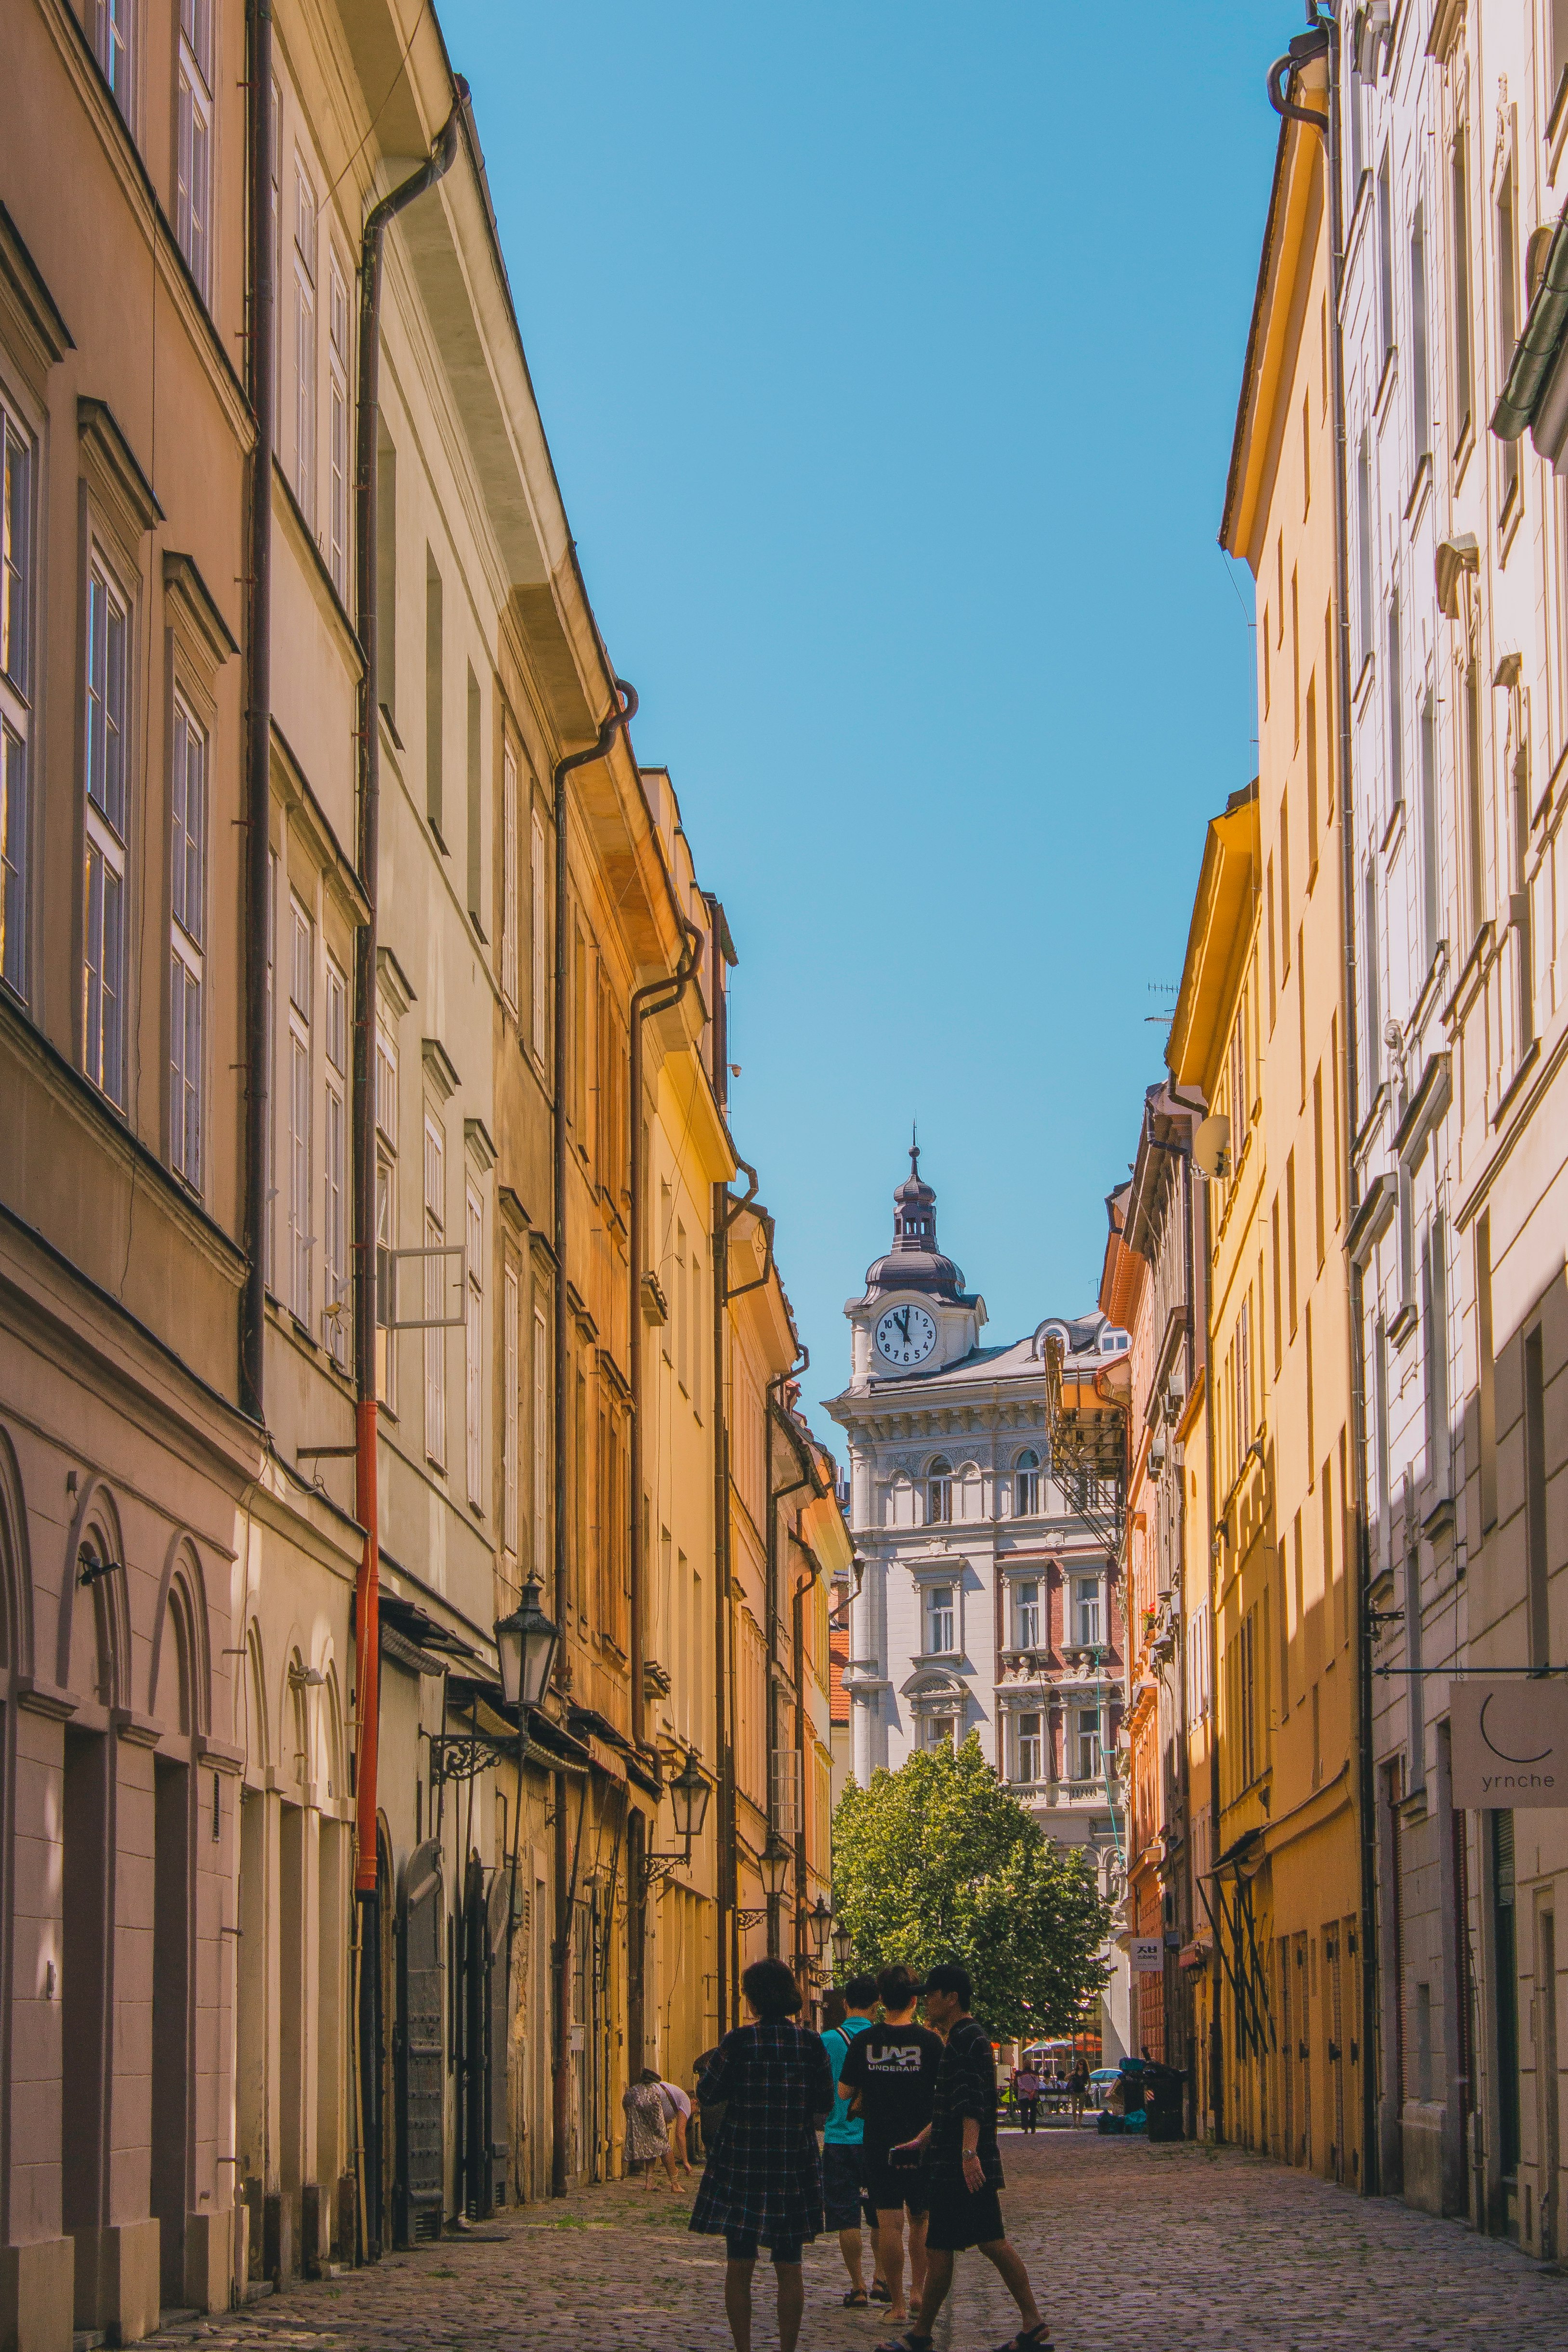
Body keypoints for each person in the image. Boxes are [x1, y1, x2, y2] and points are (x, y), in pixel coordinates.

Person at [875, 1963, 1051, 2352]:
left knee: (976, 2243)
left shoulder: (966, 2040)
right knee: (972, 2243)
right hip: (953, 2161)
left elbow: (971, 2104)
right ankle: (1028, 2324)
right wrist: (919, 2141)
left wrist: (968, 2153)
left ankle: (923, 2335)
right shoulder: (963, 2038)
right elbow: (949, 2109)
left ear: (951, 1997)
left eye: (932, 1994)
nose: (925, 2002)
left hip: (960, 2167)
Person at [691, 1957, 835, 2352]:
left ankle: (744, 2348)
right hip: (793, 2161)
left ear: (753, 1997)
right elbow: (825, 2102)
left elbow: (708, 2094)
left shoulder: (738, 2041)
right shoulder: (810, 2043)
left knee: (739, 2263)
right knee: (790, 2265)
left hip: (742, 2161)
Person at [838, 1962, 944, 2330]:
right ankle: (918, 2291)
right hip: (922, 2140)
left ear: (881, 1999)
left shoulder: (865, 2042)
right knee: (921, 2219)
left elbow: (843, 2091)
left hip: (878, 2141)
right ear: (915, 1999)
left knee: (889, 2223)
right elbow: (943, 2093)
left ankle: (897, 2304)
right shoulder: (930, 2042)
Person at [819, 1974, 880, 2307]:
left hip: (839, 2136)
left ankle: (857, 2284)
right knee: (881, 2211)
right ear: (877, 2004)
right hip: (877, 2138)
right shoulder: (882, 2039)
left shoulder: (826, 2039)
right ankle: (881, 2278)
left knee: (846, 2215)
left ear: (845, 2004)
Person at [624, 2067, 679, 2190]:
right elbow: (665, 2109)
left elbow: (626, 2105)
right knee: (665, 2148)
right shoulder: (657, 2090)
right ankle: (675, 2184)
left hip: (639, 2125)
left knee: (651, 2148)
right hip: (656, 2123)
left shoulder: (632, 2091)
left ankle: (649, 2182)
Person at [659, 2074, 694, 2174]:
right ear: (695, 2102)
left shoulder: (678, 2095)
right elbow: (680, 2134)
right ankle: (673, 2173)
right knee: (662, 2142)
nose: (693, 2114)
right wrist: (685, 2161)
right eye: (696, 2111)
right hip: (657, 2094)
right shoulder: (686, 2101)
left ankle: (649, 2177)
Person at [1010, 2059, 1041, 2136]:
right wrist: (1033, 2092)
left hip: (1023, 2096)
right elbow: (1037, 2084)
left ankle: (1026, 2128)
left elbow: (1020, 2085)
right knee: (1033, 2112)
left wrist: (1027, 2091)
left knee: (1024, 2112)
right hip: (1034, 2096)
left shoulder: (1020, 2074)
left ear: (1024, 2065)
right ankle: (1033, 2128)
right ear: (1031, 2065)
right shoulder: (1035, 2074)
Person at [1067, 2056, 1090, 2127]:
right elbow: (1066, 2078)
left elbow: (1089, 2083)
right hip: (1074, 2092)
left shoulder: (1086, 2074)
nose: (1081, 2066)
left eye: (1083, 2065)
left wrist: (1087, 2091)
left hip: (1082, 2092)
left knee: (1081, 2109)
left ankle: (1079, 2124)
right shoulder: (1075, 2072)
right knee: (1074, 2108)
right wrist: (1071, 2074)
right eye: (1080, 2064)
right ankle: (1074, 2122)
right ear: (1078, 2064)